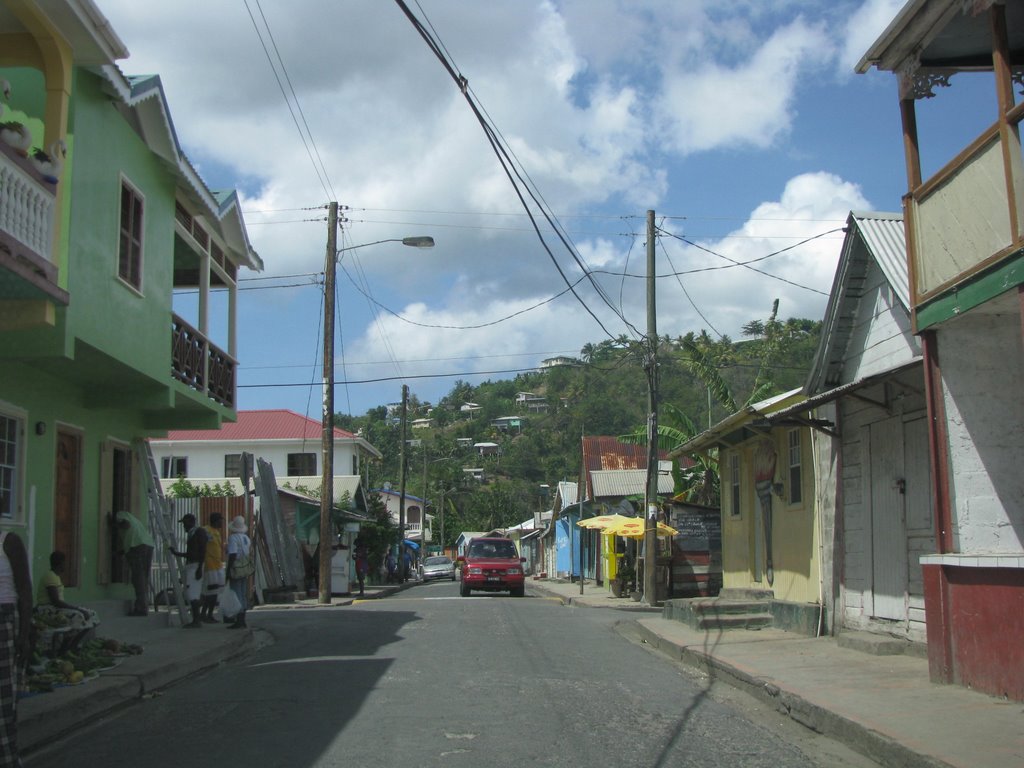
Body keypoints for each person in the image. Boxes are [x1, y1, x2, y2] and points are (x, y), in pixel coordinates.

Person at [0, 531, 32, 768]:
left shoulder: (8, 541)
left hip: (4, 621)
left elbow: (24, 588)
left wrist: (24, 634)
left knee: (3, 702)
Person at [35, 551, 100, 654]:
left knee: (92, 615)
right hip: (47, 609)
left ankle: (73, 645)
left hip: (56, 609)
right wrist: (77, 609)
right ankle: (64, 648)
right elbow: (55, 601)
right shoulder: (49, 576)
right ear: (60, 563)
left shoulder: (56, 577)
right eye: (65, 562)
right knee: (78, 616)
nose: (66, 565)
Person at [167, 514, 207, 629]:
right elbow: (191, 553)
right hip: (192, 565)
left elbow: (202, 551)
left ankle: (196, 620)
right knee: (191, 593)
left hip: (196, 566)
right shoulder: (192, 534)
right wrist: (176, 553)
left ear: (191, 522)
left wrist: (200, 567)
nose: (184, 526)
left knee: (193, 594)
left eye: (185, 523)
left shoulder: (199, 532)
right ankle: (196, 619)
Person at [116, 511, 155, 616]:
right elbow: (133, 535)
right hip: (148, 544)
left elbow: (126, 525)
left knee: (138, 578)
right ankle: (144, 605)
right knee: (143, 577)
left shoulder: (119, 515)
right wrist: (123, 551)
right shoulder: (135, 520)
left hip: (137, 546)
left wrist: (115, 525)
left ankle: (141, 608)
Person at [225, 516, 251, 630]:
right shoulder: (246, 538)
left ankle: (239, 621)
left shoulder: (233, 538)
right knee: (243, 593)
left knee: (236, 594)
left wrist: (228, 570)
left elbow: (232, 554)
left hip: (236, 567)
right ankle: (243, 619)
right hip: (245, 567)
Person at [199, 513, 225, 624]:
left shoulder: (217, 532)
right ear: (215, 520)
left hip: (217, 565)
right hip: (210, 565)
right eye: (220, 520)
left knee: (215, 592)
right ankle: (205, 614)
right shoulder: (206, 530)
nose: (222, 523)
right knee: (210, 591)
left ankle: (208, 614)